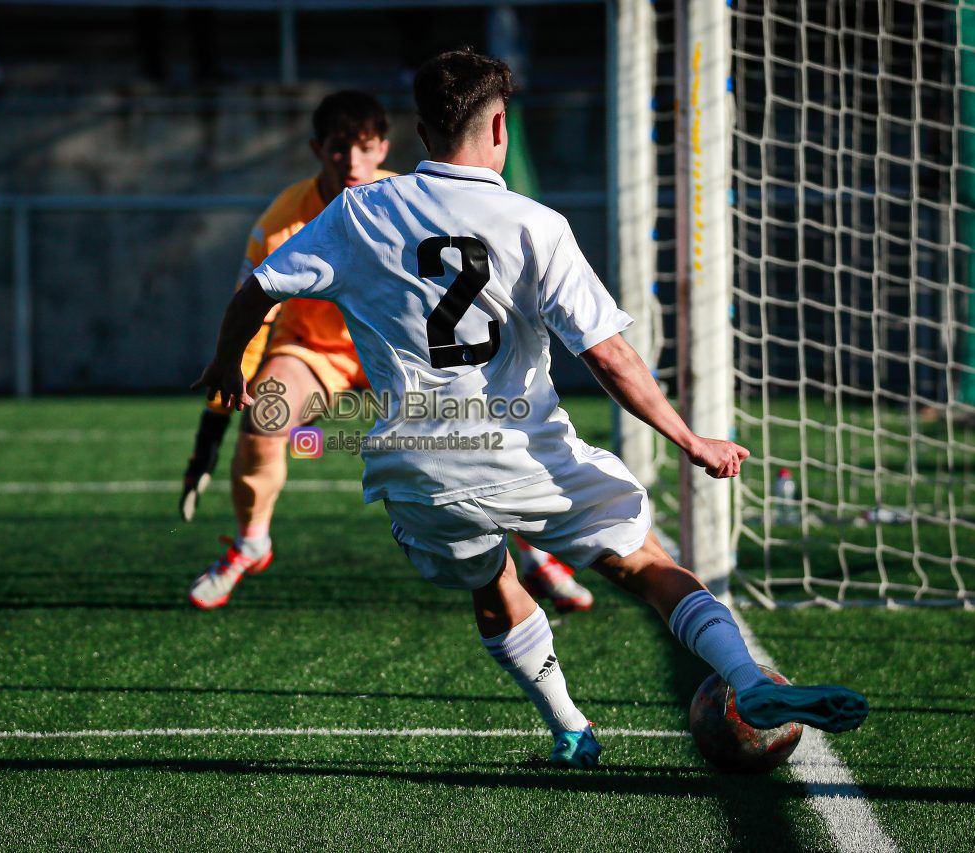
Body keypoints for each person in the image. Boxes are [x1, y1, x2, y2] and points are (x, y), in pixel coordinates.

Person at [194, 49, 870, 766]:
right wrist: (688, 438)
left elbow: (257, 289)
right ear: (499, 129)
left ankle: (571, 730)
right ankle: (746, 681)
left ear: (420, 134)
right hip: (525, 452)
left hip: (420, 468)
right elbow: (608, 355)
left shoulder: (358, 211)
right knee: (645, 565)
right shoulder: (535, 222)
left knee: (491, 584)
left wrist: (226, 365)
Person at [185, 89, 595, 613]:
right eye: (339, 148)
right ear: (318, 150)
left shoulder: (406, 202)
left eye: (364, 147)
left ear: (382, 148)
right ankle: (251, 543)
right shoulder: (283, 219)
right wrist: (211, 429)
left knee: (483, 431)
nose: (351, 162)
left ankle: (534, 554)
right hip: (319, 352)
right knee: (266, 413)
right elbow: (254, 312)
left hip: (405, 350)